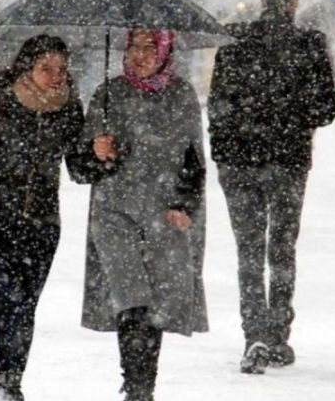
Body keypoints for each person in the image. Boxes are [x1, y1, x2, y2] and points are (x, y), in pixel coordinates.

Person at [0, 35, 97, 401]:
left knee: (25, 305)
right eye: (46, 69)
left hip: (43, 223)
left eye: (61, 69)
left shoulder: (69, 108)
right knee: (3, 299)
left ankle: (13, 381)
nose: (56, 76)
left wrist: (99, 152)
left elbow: (78, 168)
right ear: (27, 68)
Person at [207, 0, 335, 373]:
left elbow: (217, 104)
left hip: (239, 162)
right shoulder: (310, 44)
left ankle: (255, 335)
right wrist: (293, 116)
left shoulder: (234, 40)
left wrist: (226, 150)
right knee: (281, 249)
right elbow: (327, 109)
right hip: (288, 160)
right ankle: (279, 335)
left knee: (248, 250)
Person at [80, 29, 208, 401]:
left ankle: (143, 384)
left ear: (166, 51)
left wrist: (185, 205)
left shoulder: (182, 95)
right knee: (131, 298)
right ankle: (136, 385)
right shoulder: (108, 94)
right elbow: (80, 166)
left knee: (154, 303)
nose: (140, 55)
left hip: (163, 214)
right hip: (114, 213)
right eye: (133, 46)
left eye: (150, 47)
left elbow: (193, 160)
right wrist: (96, 151)